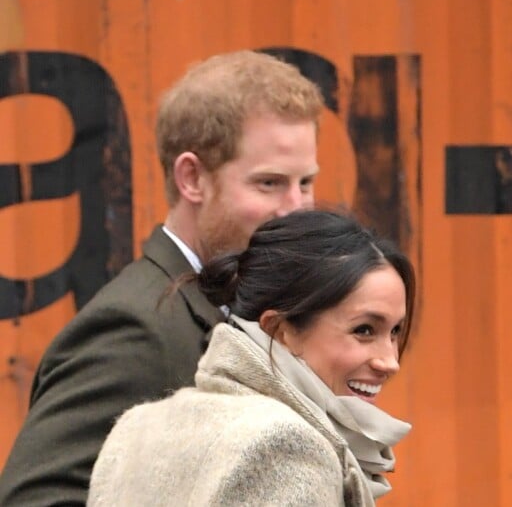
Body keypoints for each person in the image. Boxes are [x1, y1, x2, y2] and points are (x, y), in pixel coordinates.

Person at [0, 51, 323, 506]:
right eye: (268, 183)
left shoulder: (235, 312)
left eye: (305, 183)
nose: (295, 209)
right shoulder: (135, 329)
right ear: (191, 178)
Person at [87, 209, 416, 506]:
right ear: (278, 329)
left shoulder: (137, 427)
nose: (389, 361)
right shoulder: (286, 447)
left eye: (395, 332)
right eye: (364, 330)